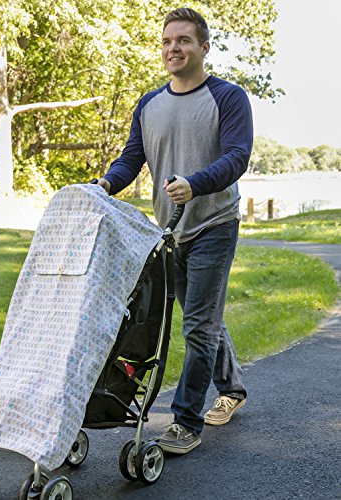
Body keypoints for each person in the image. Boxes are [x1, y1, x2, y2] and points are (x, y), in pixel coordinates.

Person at [95, 7, 251, 454]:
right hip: (168, 231)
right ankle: (232, 388)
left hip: (214, 224)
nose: (173, 48)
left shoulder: (228, 98)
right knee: (204, 316)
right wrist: (106, 184)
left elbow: (237, 157)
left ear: (204, 47)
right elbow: (132, 158)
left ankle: (185, 422)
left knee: (197, 326)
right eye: (167, 41)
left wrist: (195, 183)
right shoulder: (149, 104)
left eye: (183, 40)